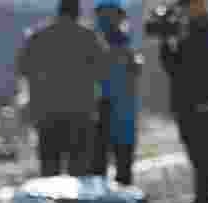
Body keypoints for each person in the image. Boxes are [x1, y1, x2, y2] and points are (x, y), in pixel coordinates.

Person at [14, 0, 109, 177]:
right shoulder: (88, 37)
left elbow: (22, 69)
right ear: (77, 12)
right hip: (80, 113)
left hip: (46, 113)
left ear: (58, 11)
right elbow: (103, 72)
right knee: (78, 171)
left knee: (49, 170)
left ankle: (51, 194)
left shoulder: (38, 36)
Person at [159, 0, 208, 203]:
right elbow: (173, 68)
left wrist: (180, 38)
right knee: (198, 159)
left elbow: (199, 65)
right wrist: (166, 41)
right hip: (188, 107)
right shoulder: (187, 33)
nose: (184, 11)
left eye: (188, 6)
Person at [91, 0, 141, 186]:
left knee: (111, 169)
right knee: (103, 169)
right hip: (107, 113)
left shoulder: (124, 48)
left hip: (117, 114)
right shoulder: (122, 48)